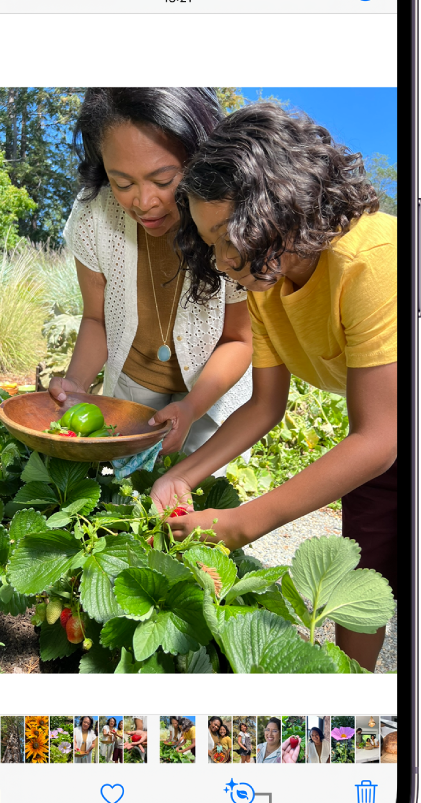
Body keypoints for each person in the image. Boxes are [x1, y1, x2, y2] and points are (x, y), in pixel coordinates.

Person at [152, 102, 397, 670]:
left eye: (228, 235)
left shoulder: (376, 257)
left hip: (390, 431)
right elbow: (265, 405)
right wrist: (181, 475)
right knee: (363, 585)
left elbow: (379, 437)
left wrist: (245, 520)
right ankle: (352, 707)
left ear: (281, 203)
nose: (220, 258)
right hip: (392, 434)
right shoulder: (266, 280)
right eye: (209, 241)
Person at [49, 88, 253, 464]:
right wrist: (76, 384)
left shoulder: (230, 221)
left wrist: (191, 407)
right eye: (122, 183)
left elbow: (238, 340)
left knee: (196, 500)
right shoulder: (94, 214)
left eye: (163, 181)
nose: (143, 202)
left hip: (212, 394)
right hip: (132, 384)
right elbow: (97, 319)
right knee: (125, 492)